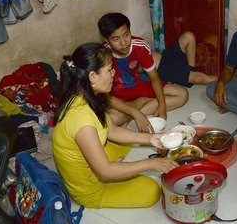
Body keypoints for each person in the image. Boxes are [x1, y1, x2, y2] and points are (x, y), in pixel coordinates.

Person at [52, 43, 179, 209]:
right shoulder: (80, 119)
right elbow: (104, 172)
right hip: (92, 187)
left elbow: (112, 130)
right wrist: (151, 164)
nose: (114, 74)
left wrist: (151, 139)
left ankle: (114, 165)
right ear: (92, 76)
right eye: (109, 69)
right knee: (152, 191)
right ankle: (114, 168)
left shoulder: (87, 95)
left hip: (94, 157)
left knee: (127, 142)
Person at [97, 12, 189, 132]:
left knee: (182, 94)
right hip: (115, 92)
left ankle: (134, 113)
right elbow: (104, 94)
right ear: (107, 40)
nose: (123, 42)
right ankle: (141, 104)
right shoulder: (102, 54)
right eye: (116, 39)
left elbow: (154, 77)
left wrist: (162, 105)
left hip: (137, 85)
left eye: (126, 35)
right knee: (112, 119)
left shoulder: (140, 46)